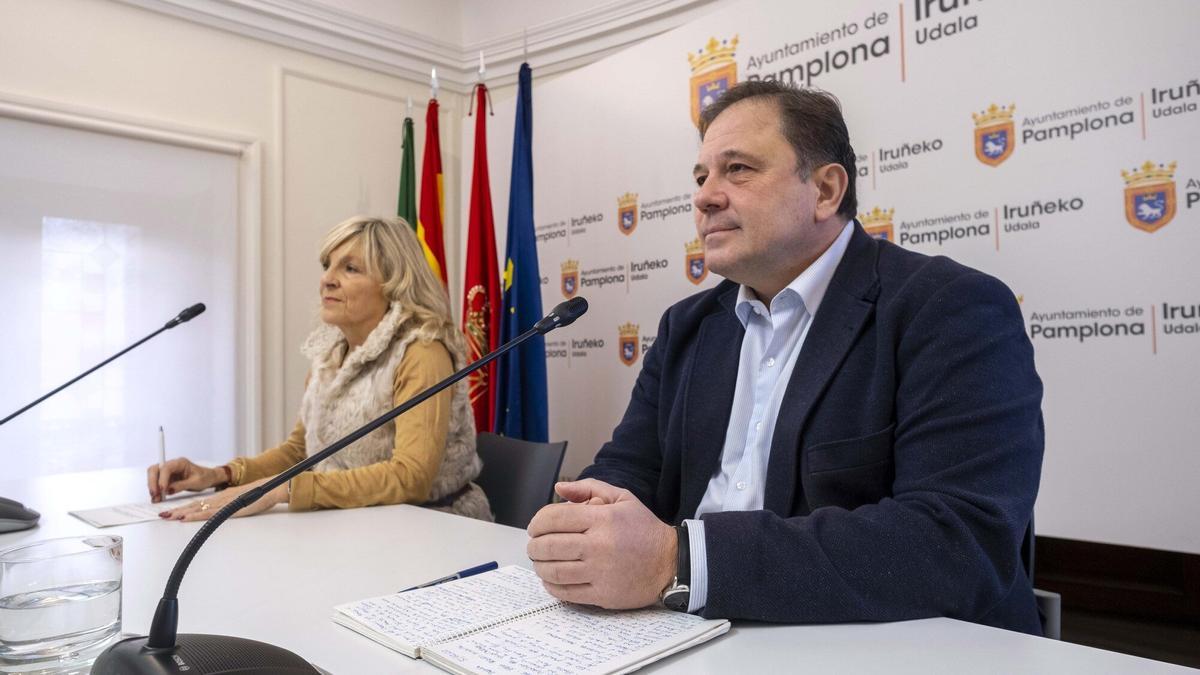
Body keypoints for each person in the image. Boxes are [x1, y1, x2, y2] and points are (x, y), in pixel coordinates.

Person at [526, 81, 1045, 634]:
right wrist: (584, 521)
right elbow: (630, 468)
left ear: (825, 190)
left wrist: (678, 561)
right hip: (691, 632)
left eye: (739, 170)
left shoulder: (948, 306)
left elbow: (957, 540)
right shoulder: (688, 325)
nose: (704, 196)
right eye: (701, 177)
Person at [149, 216, 491, 522]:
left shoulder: (422, 352)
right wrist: (218, 475)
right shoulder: (328, 353)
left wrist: (286, 490)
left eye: (350, 268)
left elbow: (411, 477)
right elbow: (300, 452)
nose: (327, 279)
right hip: (352, 524)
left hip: (433, 527)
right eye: (327, 265)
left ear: (394, 283)